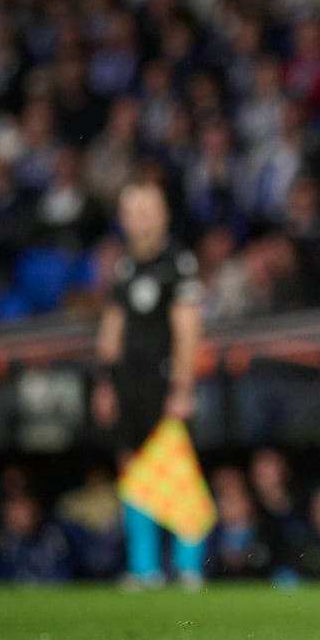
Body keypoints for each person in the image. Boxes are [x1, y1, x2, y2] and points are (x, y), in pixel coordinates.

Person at [91, 180, 205, 590]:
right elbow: (112, 327)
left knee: (176, 466)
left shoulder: (178, 263)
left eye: (147, 210)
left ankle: (188, 566)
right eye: (132, 211)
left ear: (164, 215)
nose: (140, 219)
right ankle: (144, 568)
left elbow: (188, 328)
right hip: (129, 381)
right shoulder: (123, 267)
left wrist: (183, 387)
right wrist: (105, 382)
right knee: (132, 468)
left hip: (163, 379)